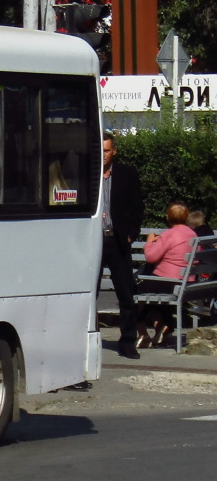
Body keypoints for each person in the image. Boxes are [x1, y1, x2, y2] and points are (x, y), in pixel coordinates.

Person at [100, 132, 144, 359]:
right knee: (88, 294)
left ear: (114, 151)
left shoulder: (126, 174)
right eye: (100, 150)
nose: (103, 155)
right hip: (94, 241)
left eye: (107, 150)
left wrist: (131, 235)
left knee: (126, 294)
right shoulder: (89, 175)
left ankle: (128, 342)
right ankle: (85, 338)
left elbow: (137, 207)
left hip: (117, 241)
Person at [137, 202, 196, 347]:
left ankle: (143, 333)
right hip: (186, 281)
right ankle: (163, 327)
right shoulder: (192, 234)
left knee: (133, 292)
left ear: (168, 217)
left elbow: (151, 257)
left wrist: (149, 242)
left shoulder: (169, 235)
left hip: (168, 281)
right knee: (151, 293)